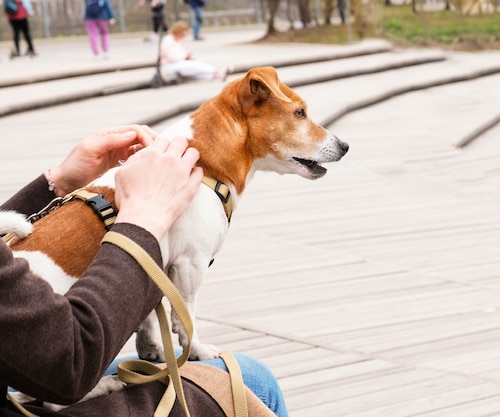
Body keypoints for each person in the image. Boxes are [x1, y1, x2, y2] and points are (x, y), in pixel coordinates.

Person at [0, 125, 289, 417]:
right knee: (250, 383)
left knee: (246, 376)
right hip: (54, 378)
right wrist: (143, 223)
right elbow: (64, 364)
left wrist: (56, 184)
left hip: (24, 366)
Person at [159, 21, 233, 82]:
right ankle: (217, 71)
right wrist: (185, 56)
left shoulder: (177, 41)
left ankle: (217, 74)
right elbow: (171, 57)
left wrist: (187, 56)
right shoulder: (168, 41)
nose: (184, 36)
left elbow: (179, 55)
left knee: (194, 66)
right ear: (179, 31)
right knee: (190, 66)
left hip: (177, 63)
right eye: (183, 33)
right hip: (169, 66)